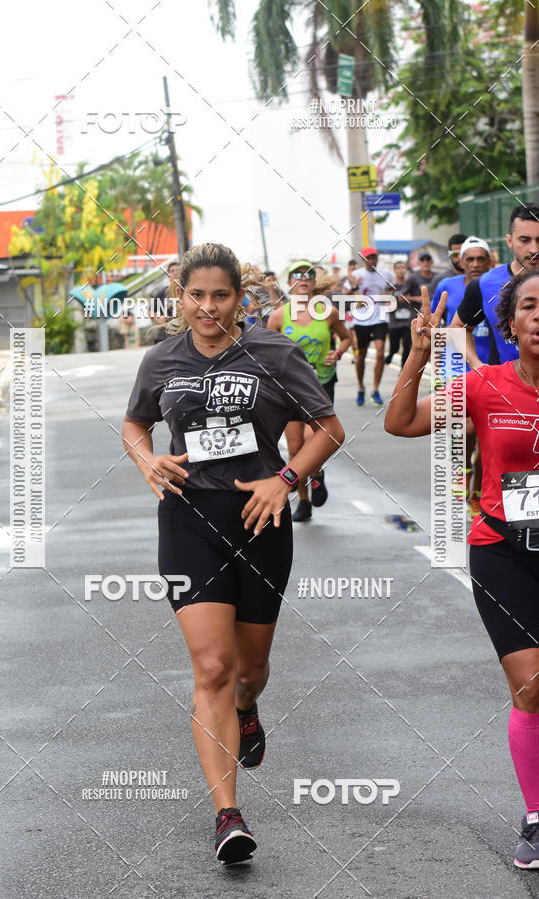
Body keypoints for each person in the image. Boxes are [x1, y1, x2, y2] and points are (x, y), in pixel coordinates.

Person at [122, 242, 345, 864]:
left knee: (248, 672)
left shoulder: (276, 353)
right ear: (180, 297)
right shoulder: (162, 358)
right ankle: (228, 814)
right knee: (212, 667)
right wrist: (148, 460)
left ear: (240, 297)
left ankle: (248, 708)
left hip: (261, 518)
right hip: (189, 519)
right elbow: (134, 423)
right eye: (197, 295)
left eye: (221, 295)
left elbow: (329, 427)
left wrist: (287, 479)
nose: (209, 307)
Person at [385, 274, 539, 870]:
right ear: (510, 323)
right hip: (502, 546)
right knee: (530, 684)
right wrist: (420, 354)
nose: (538, 316)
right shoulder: (483, 386)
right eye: (528, 306)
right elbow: (400, 422)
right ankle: (535, 814)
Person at [267, 259, 350, 522]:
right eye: (297, 275)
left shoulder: (328, 312)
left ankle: (318, 473)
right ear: (290, 282)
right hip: (289, 389)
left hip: (320, 384)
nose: (303, 279)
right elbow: (265, 352)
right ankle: (303, 501)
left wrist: (337, 352)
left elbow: (347, 337)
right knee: (294, 448)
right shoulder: (279, 316)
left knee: (313, 439)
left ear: (314, 283)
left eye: (308, 275)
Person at [431, 236, 492, 516]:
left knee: (485, 437)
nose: (476, 264)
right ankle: (462, 477)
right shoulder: (446, 286)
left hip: (486, 368)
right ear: (460, 261)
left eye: (481, 259)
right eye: (470, 259)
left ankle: (477, 493)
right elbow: (437, 322)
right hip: (454, 369)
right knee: (462, 433)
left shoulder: (495, 285)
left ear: (489, 261)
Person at [451, 203, 539, 367]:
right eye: (524, 240)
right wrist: (477, 366)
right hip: (506, 390)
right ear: (509, 241)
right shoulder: (485, 284)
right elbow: (458, 326)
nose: (534, 249)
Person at [347, 246, 395, 405]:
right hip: (361, 320)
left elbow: (391, 291)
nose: (371, 260)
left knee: (380, 353)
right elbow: (344, 295)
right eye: (368, 258)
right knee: (361, 354)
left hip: (380, 318)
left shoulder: (386, 274)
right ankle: (361, 387)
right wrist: (354, 287)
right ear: (363, 259)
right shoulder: (356, 275)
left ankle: (375, 390)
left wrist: (388, 296)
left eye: (374, 257)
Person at [385, 259, 410, 367]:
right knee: (394, 347)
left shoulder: (410, 284)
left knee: (407, 346)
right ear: (394, 270)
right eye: (398, 268)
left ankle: (403, 370)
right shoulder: (390, 286)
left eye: (403, 267)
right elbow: (388, 305)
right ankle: (391, 354)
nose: (401, 270)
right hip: (394, 322)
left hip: (408, 321)